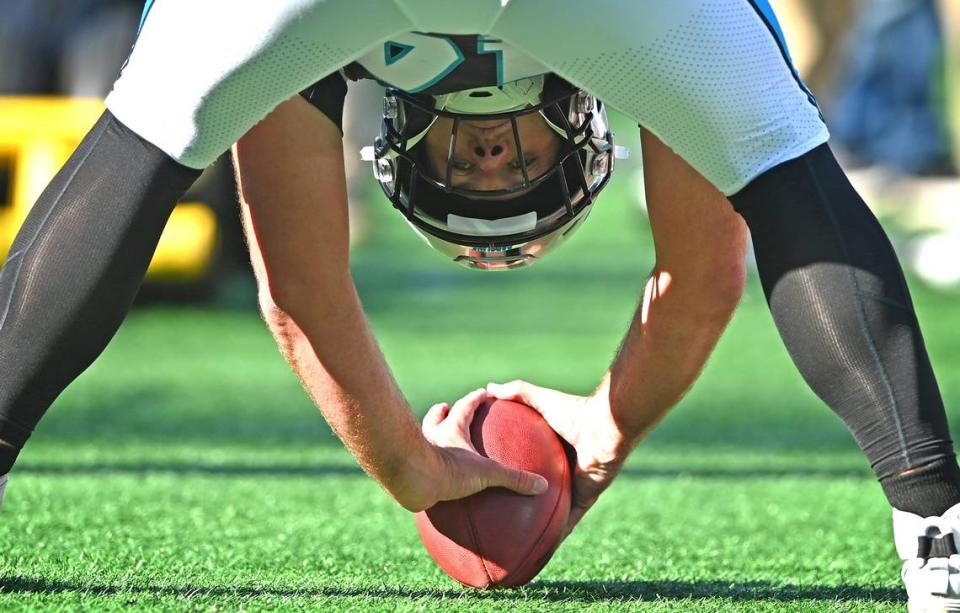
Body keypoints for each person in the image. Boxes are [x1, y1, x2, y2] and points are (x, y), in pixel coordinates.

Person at [0, 2, 956, 610]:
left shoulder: (324, 63)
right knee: (784, 172)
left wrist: (409, 462)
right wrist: (603, 426)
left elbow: (303, 291)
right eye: (500, 163)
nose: (494, 152)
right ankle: (936, 529)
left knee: (141, 151)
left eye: (479, 160)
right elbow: (703, 275)